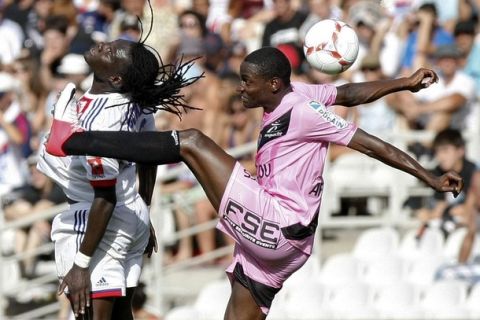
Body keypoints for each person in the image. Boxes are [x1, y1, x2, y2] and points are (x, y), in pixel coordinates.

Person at [45, 47, 463, 320]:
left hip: (278, 222)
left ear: (273, 85)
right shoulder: (295, 93)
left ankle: (74, 139)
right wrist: (402, 82)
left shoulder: (303, 111)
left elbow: (372, 145)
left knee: (191, 142)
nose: (241, 89)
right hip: (283, 248)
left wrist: (427, 176)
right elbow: (348, 92)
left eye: (248, 82)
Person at [37, 14, 202, 320]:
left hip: (100, 220)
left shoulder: (100, 121)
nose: (102, 45)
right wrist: (145, 207)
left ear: (115, 79)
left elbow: (105, 196)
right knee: (122, 315)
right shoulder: (132, 103)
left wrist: (81, 264)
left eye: (111, 52)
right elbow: (148, 154)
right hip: (128, 214)